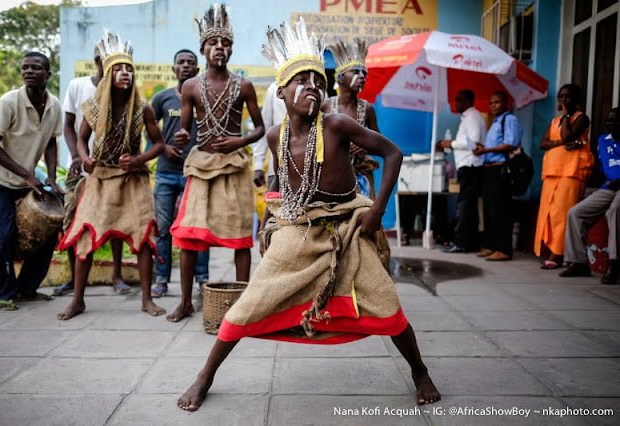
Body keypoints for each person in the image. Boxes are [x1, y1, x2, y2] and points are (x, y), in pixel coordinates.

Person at [176, 17, 440, 412]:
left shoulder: (336, 124)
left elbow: (393, 153)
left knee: (386, 303)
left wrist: (377, 210)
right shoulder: (274, 135)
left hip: (348, 225)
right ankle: (204, 377)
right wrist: (271, 223)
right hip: (298, 225)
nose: (310, 88)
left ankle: (420, 371)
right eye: (300, 81)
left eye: (317, 81)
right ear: (281, 92)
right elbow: (282, 186)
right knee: (250, 303)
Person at [57, 30, 166, 320]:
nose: (124, 73)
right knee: (85, 235)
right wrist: (84, 157)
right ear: (107, 74)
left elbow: (159, 144)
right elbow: (80, 138)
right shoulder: (94, 107)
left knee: (142, 238)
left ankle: (146, 299)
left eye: (128, 68)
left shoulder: (144, 109)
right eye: (118, 68)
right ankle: (78, 300)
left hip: (133, 179)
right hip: (101, 177)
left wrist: (139, 158)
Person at [168, 4, 265, 322]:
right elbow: (185, 127)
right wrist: (181, 136)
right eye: (213, 44)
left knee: (239, 237)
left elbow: (261, 128)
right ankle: (184, 301)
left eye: (224, 44)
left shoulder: (244, 86)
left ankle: (244, 305)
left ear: (231, 49)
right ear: (203, 49)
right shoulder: (191, 86)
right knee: (188, 236)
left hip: (235, 166)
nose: (219, 49)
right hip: (201, 165)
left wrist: (240, 140)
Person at [0, 51, 62, 311]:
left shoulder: (54, 106)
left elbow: (51, 142)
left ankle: (27, 289)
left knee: (49, 231)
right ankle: (6, 293)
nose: (28, 71)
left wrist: (50, 176)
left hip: (26, 180)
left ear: (47, 75)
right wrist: (27, 174)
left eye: (35, 68)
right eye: (25, 67)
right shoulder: (9, 102)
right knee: (6, 235)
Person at [55, 45, 132, 297]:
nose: (107, 62)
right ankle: (73, 279)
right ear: (98, 60)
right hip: (80, 167)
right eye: (103, 58)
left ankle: (118, 276)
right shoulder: (79, 86)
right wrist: (78, 156)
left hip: (109, 169)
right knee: (73, 221)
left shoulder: (124, 92)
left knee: (115, 219)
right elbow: (69, 127)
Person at [148, 49, 210, 298]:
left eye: (190, 63)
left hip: (194, 172)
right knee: (162, 228)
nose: (185, 66)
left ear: (197, 69)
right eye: (181, 62)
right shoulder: (161, 98)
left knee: (197, 228)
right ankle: (161, 279)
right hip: (166, 173)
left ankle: (202, 280)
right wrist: (163, 147)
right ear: (173, 68)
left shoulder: (203, 97)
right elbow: (150, 131)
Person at [534, 84, 594, 269]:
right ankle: (551, 248)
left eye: (567, 97)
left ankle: (558, 253)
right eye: (561, 97)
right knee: (549, 213)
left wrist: (567, 115)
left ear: (576, 100)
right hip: (553, 172)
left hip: (571, 172)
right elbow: (543, 144)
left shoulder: (581, 118)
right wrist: (560, 143)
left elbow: (569, 136)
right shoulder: (554, 121)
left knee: (562, 213)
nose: (563, 100)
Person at [560, 107, 620, 284]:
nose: (611, 124)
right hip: (608, 187)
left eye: (615, 121)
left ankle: (614, 263)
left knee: (615, 210)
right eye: (608, 121)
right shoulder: (603, 140)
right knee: (575, 213)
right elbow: (602, 168)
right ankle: (579, 262)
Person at [322, 38, 379, 198]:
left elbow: (379, 144)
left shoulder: (367, 109)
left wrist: (364, 146)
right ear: (340, 77)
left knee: (364, 220)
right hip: (332, 177)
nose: (362, 76)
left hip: (361, 178)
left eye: (364, 73)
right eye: (355, 72)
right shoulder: (325, 106)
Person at [473, 91, 523, 261]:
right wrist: (483, 147)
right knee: (489, 210)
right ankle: (490, 245)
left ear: (505, 104)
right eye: (491, 103)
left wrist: (486, 150)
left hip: (501, 169)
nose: (493, 106)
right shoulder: (495, 122)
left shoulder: (509, 120)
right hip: (489, 168)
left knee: (500, 210)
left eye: (497, 102)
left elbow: (511, 143)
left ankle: (504, 249)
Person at [437, 90, 486, 253]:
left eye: (459, 100)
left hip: (471, 166)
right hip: (467, 166)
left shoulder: (472, 116)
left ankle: (462, 242)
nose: (455, 103)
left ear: (468, 101)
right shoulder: (468, 117)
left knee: (464, 205)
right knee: (467, 205)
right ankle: (469, 242)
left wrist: (450, 143)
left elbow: (473, 142)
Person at [252, 81, 286, 188]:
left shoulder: (315, 88)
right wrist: (258, 165)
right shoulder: (275, 87)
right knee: (275, 204)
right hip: (277, 170)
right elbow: (265, 126)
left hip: (313, 172)